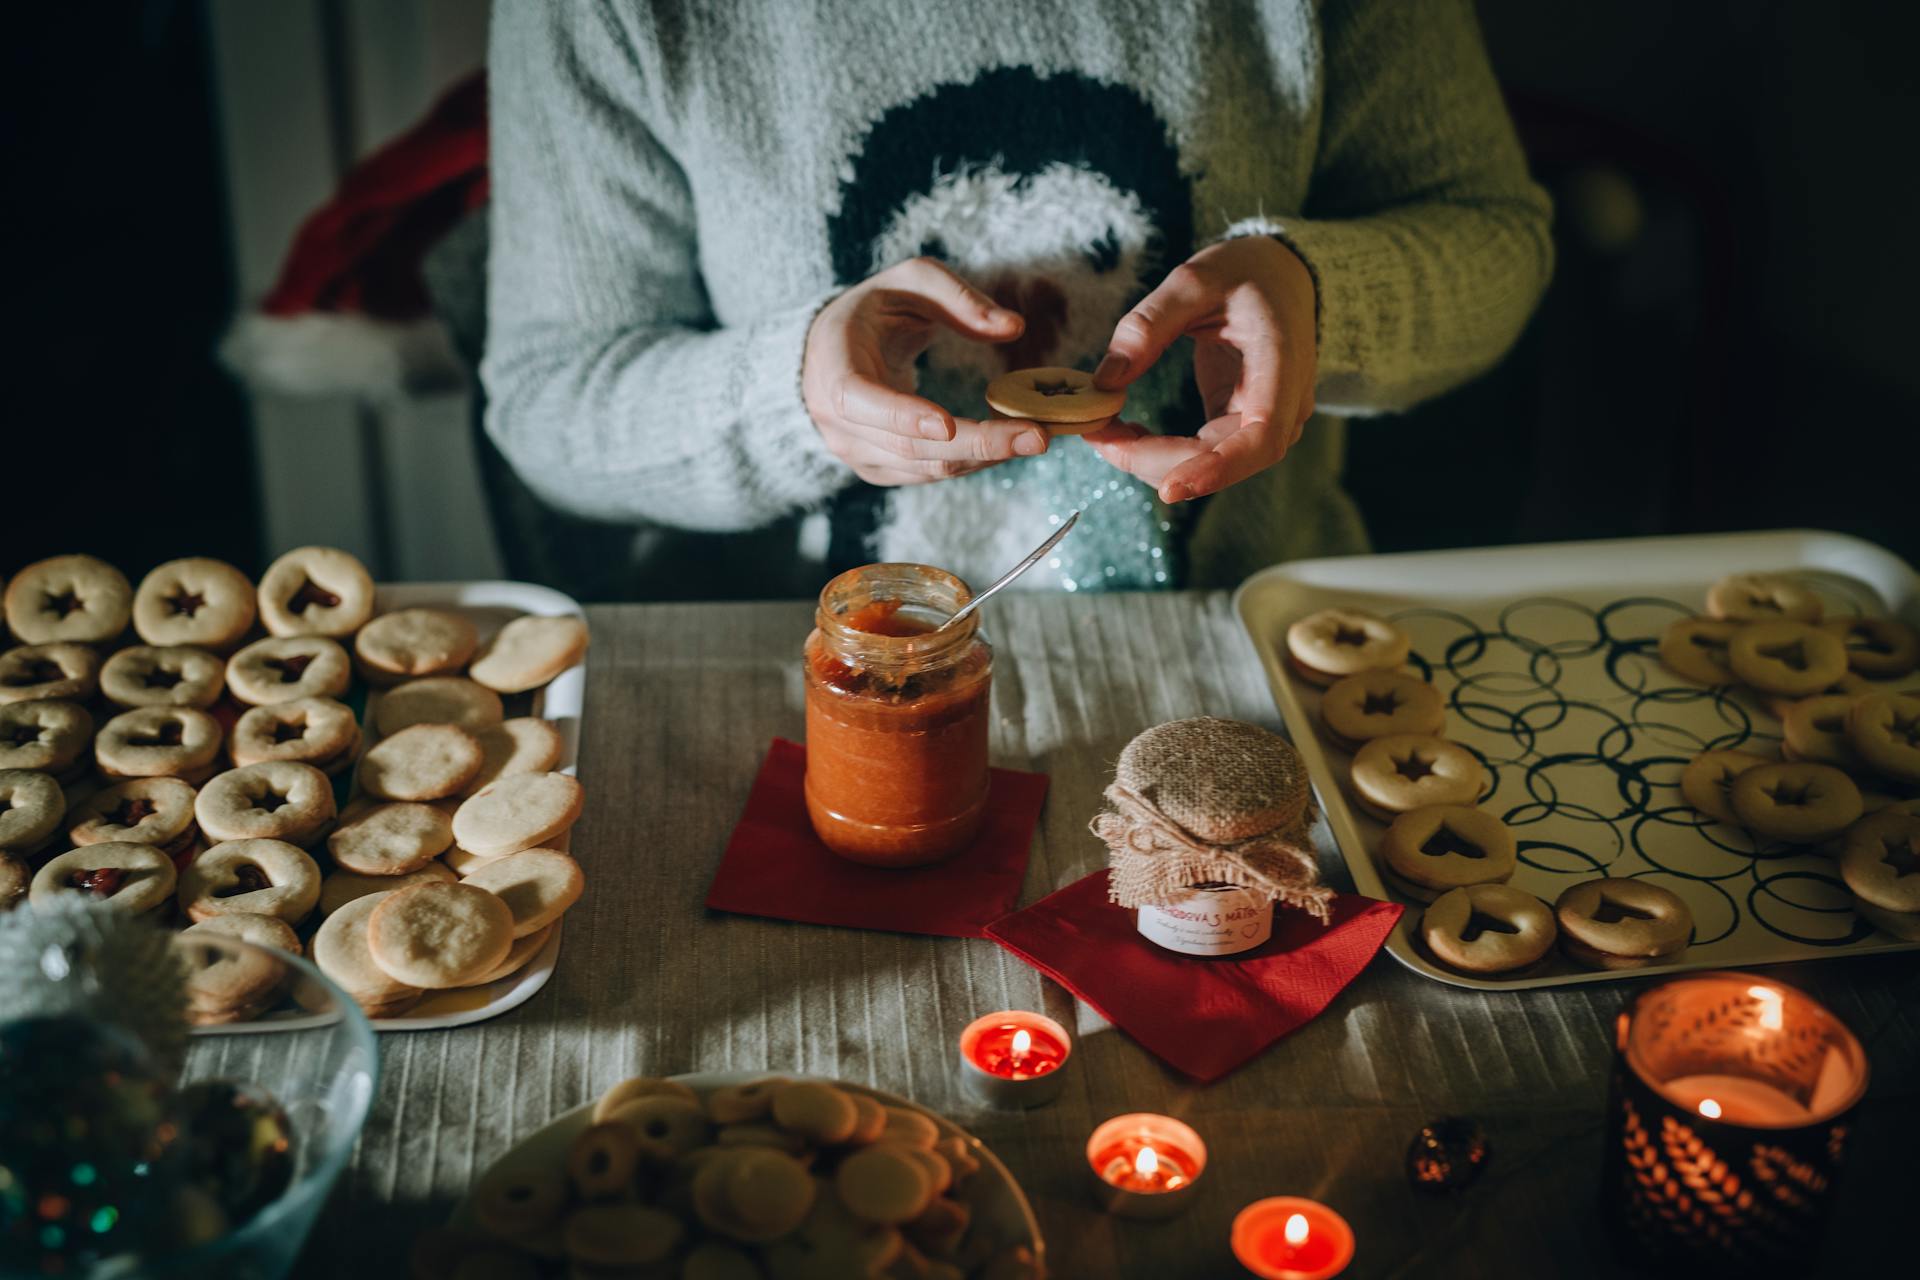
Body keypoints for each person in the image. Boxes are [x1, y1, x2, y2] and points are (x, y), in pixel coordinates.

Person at [482, 1, 1552, 599]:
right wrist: (790, 398)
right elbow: (549, 401)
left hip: (1246, 637)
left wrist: (1322, 298)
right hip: (786, 678)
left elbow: (1496, 243)